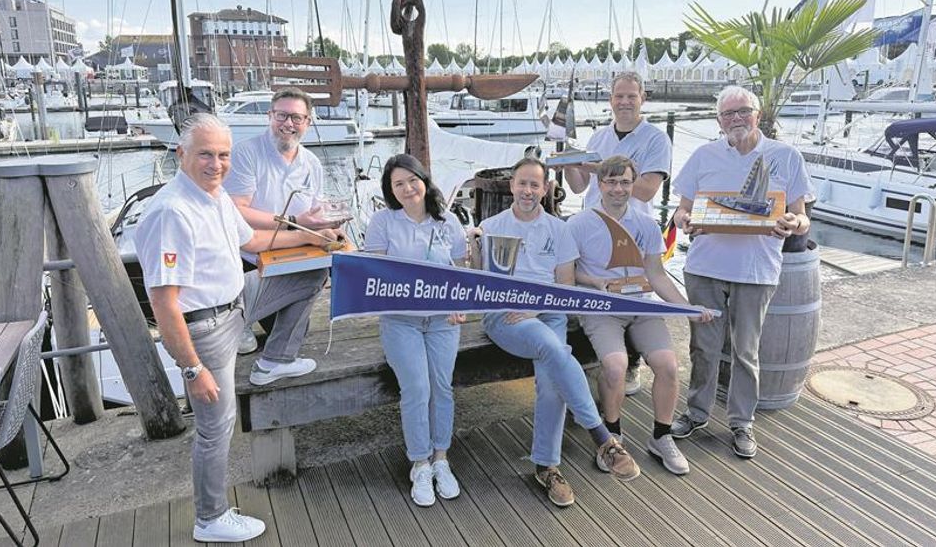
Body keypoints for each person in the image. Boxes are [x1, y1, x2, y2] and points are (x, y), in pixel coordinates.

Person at [135, 115, 340, 542]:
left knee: (308, 275)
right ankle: (209, 519)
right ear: (181, 155)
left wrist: (314, 239)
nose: (217, 164)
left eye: (223, 155)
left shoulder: (215, 196)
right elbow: (163, 303)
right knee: (216, 425)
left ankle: (276, 359)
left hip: (239, 302)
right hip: (206, 326)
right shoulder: (173, 211)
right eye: (206, 154)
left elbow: (255, 242)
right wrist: (192, 369)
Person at [471, 157, 638, 508]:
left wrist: (537, 305)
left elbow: (564, 287)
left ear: (545, 188)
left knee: (551, 380)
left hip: (549, 312)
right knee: (555, 349)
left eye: (536, 184)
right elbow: (478, 282)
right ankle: (602, 437)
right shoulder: (491, 226)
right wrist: (472, 246)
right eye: (522, 183)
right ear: (511, 186)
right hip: (507, 314)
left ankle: (547, 467)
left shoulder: (558, 229)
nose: (528, 190)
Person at [670, 85, 812, 459]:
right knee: (703, 346)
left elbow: (802, 217)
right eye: (727, 114)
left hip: (757, 269)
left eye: (742, 111)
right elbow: (681, 211)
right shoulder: (703, 155)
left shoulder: (786, 156)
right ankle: (697, 412)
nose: (735, 119)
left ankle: (742, 422)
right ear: (718, 121)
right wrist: (685, 220)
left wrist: (792, 222)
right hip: (704, 267)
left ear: (758, 113)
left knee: (747, 351)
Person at [568, 155, 713, 476]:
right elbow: (568, 274)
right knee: (616, 366)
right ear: (599, 183)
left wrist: (686, 307)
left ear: (633, 184)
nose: (618, 189)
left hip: (641, 307)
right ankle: (611, 436)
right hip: (601, 308)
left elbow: (657, 276)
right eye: (611, 182)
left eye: (625, 182)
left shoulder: (646, 225)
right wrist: (596, 282)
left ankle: (661, 437)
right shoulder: (579, 224)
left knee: (668, 365)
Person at [364, 154, 468, 507]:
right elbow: (374, 275)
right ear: (390, 190)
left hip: (442, 322)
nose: (408, 188)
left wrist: (459, 304)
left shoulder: (448, 221)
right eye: (398, 184)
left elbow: (461, 270)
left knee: (442, 387)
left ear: (424, 180)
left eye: (412, 180)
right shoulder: (383, 222)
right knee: (417, 388)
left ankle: (441, 459)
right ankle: (419, 463)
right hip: (400, 320)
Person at [225, 88, 344, 385]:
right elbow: (237, 210)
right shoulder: (247, 153)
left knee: (302, 327)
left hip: (287, 258)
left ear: (308, 121)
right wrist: (294, 222)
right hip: (247, 262)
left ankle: (261, 334)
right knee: (309, 286)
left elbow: (312, 215)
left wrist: (329, 226)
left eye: (296, 117)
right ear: (270, 116)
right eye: (281, 115)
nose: (288, 123)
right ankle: (240, 322)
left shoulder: (311, 164)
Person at [565, 71, 673, 396]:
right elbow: (578, 186)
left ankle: (632, 363)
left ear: (643, 99)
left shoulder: (655, 139)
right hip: (594, 228)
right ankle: (599, 360)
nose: (625, 102)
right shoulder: (598, 138)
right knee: (597, 291)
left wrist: (600, 169)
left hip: (634, 231)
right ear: (610, 99)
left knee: (633, 291)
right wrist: (570, 163)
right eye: (619, 96)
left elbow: (648, 190)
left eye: (631, 96)